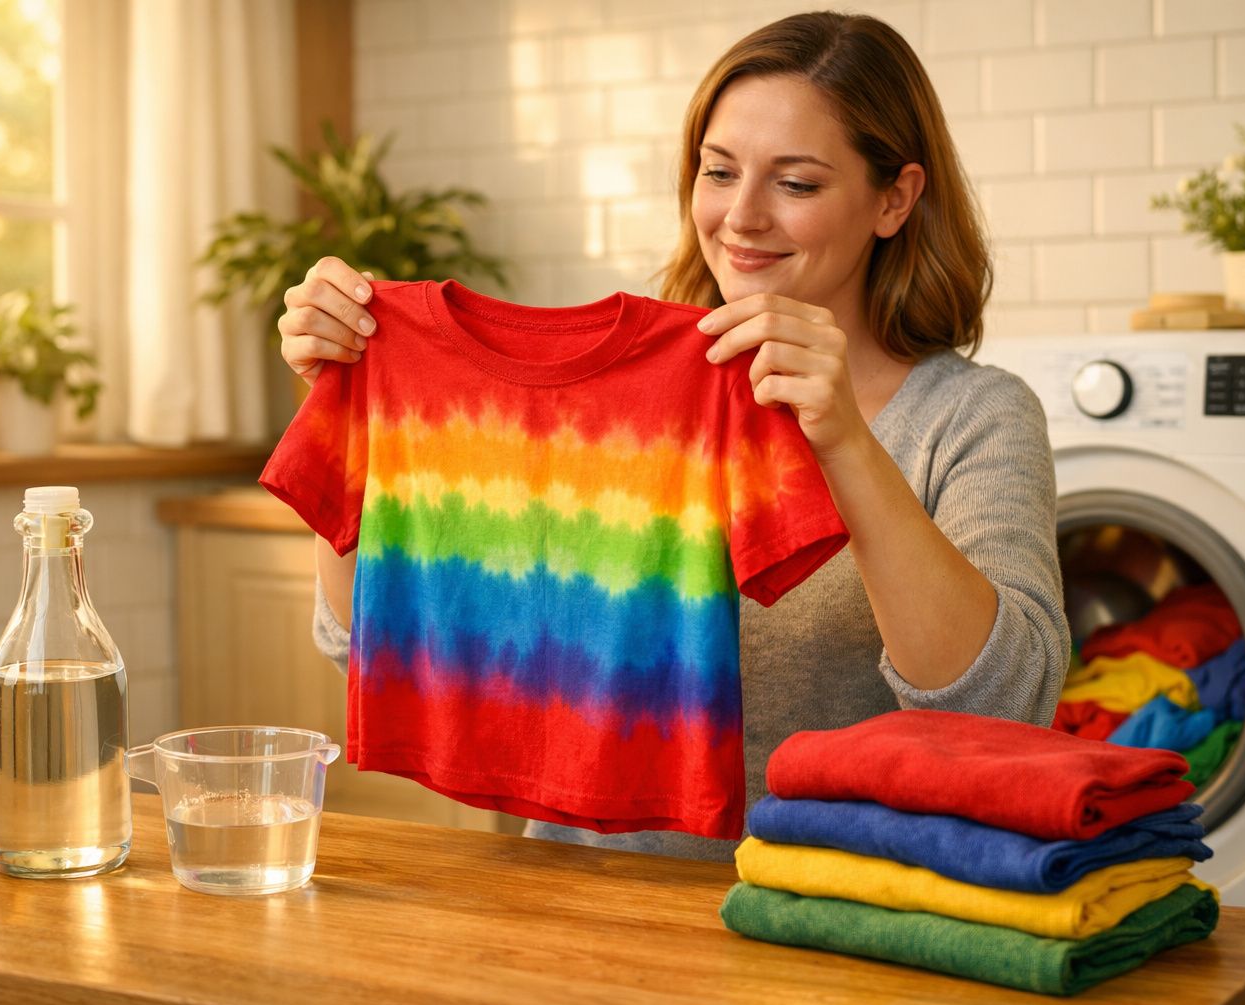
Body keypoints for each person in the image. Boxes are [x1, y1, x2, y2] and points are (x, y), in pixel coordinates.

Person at [272, 11, 1069, 861]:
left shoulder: (972, 417)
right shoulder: (627, 396)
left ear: (894, 199)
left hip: (831, 906)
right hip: (575, 888)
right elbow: (368, 646)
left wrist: (845, 444)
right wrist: (352, 413)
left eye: (797, 184)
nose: (742, 217)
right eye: (718, 172)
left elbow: (1005, 705)